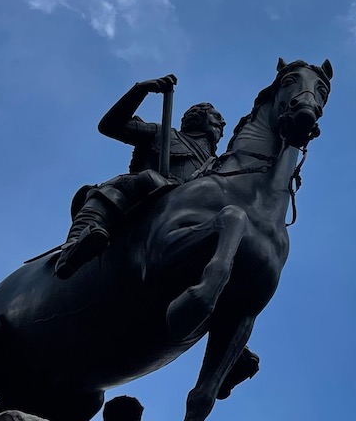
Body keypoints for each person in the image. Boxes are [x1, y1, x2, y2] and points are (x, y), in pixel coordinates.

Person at [53, 75, 226, 279]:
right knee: (112, 191)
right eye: (215, 116)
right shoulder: (163, 133)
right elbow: (110, 126)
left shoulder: (218, 165)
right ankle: (73, 247)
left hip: (186, 217)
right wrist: (140, 90)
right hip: (145, 194)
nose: (222, 122)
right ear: (197, 118)